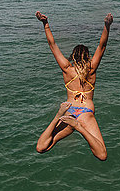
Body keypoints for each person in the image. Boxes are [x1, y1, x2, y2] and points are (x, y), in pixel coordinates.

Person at [35, 11, 113, 161]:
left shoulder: (67, 69)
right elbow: (102, 46)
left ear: (72, 56)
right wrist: (107, 26)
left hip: (68, 111)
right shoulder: (91, 69)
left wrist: (45, 24)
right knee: (102, 154)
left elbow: (53, 45)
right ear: (88, 56)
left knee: (41, 147)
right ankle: (78, 127)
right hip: (85, 113)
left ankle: (59, 115)